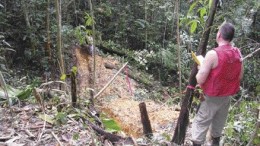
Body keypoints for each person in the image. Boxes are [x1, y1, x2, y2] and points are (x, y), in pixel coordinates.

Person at [191, 22, 243, 146]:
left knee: (200, 124)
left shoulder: (212, 54)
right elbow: (239, 77)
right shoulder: (238, 53)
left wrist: (200, 68)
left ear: (219, 34)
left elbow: (200, 80)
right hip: (226, 97)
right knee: (218, 127)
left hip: (211, 97)